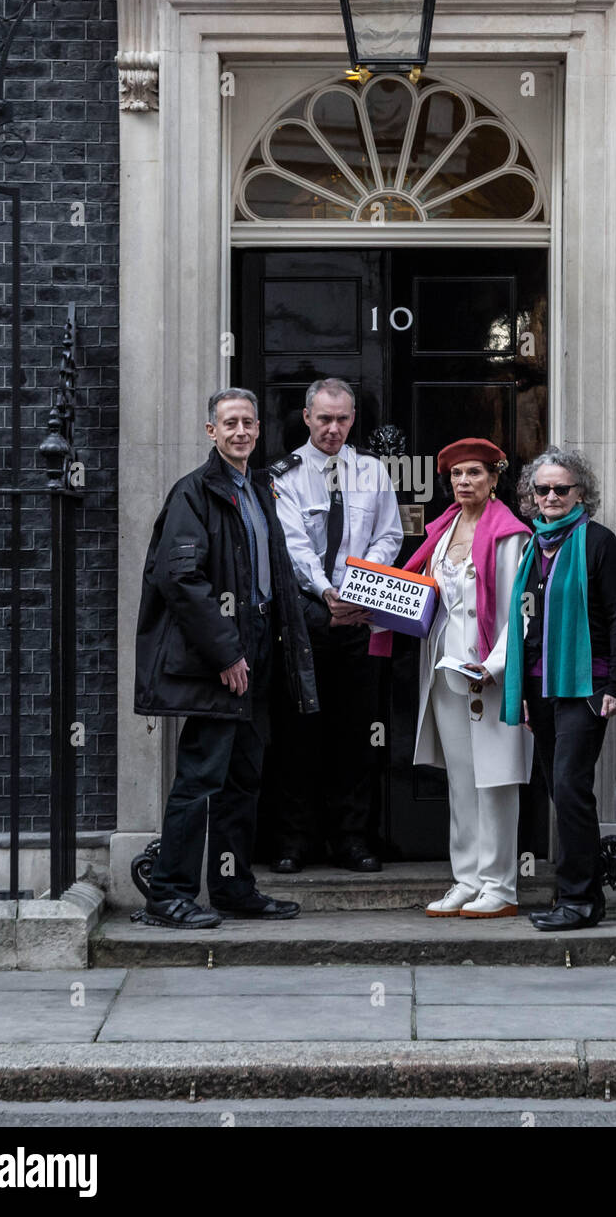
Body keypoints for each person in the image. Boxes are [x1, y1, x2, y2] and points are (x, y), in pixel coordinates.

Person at [134, 389, 318, 928]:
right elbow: (180, 579)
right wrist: (226, 652)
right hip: (218, 656)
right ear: (211, 432)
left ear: (259, 430)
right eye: (228, 423)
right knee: (200, 778)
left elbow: (275, 577)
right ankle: (167, 894)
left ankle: (234, 887)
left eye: (248, 423)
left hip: (257, 645)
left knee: (243, 777)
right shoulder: (194, 492)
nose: (240, 431)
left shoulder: (260, 490)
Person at [269, 378, 403, 873]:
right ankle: (293, 841)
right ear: (306, 417)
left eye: (342, 418)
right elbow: (292, 544)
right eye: (324, 418)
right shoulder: (284, 475)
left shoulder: (372, 471)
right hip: (307, 615)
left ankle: (352, 839)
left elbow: (388, 535)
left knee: (355, 733)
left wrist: (361, 586)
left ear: (352, 419)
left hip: (362, 615)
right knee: (299, 731)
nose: (333, 428)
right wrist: (328, 591)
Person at [502, 447, 616, 931]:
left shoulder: (598, 542)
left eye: (562, 488)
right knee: (562, 790)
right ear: (531, 496)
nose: (551, 496)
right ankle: (581, 893)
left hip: (585, 685)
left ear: (581, 493)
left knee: (570, 787)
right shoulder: (533, 545)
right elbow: (525, 624)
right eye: (542, 489)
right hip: (540, 687)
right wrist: (521, 691)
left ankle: (580, 898)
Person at [402, 439, 533, 918]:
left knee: (496, 779)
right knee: (461, 780)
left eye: (474, 473)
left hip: (490, 674)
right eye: (456, 475)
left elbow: (521, 614)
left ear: (495, 479)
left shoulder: (511, 535)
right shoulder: (443, 529)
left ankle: (500, 886)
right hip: (444, 673)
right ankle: (467, 878)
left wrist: (494, 664)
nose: (463, 482)